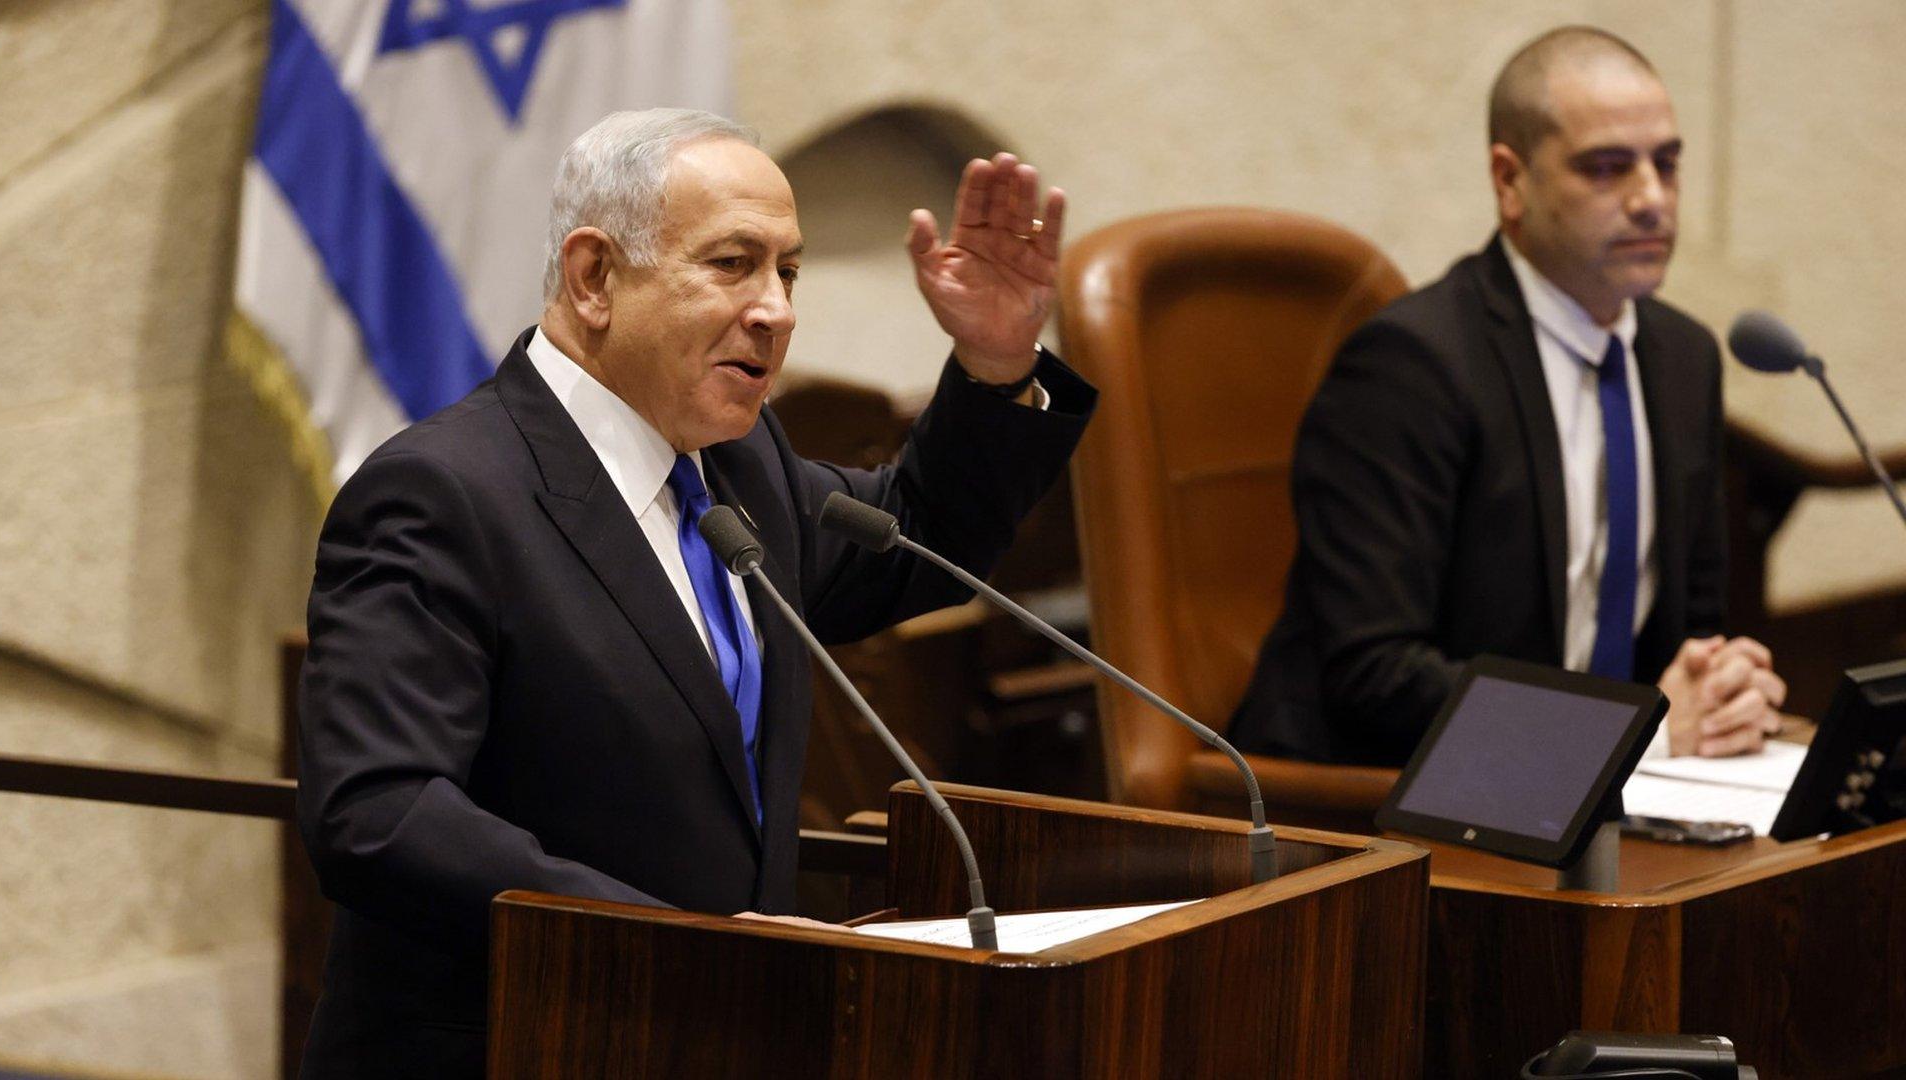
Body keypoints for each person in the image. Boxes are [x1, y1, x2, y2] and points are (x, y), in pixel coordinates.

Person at [294, 109, 1093, 1077]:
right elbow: (379, 813)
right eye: (733, 264)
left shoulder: (737, 466)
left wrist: (997, 363)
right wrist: (674, 948)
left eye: (787, 272)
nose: (777, 311)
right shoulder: (440, 495)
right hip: (516, 1044)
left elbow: (913, 532)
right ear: (595, 278)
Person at [1228, 27, 1786, 767]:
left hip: (1613, 796)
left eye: (1667, 164)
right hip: (1378, 812)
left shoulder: (1683, 358)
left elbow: (1692, 636)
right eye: (1608, 169)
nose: (1652, 200)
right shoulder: (1411, 365)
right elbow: (1376, 679)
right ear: (1510, 181)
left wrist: (1721, 691)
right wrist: (1628, 740)